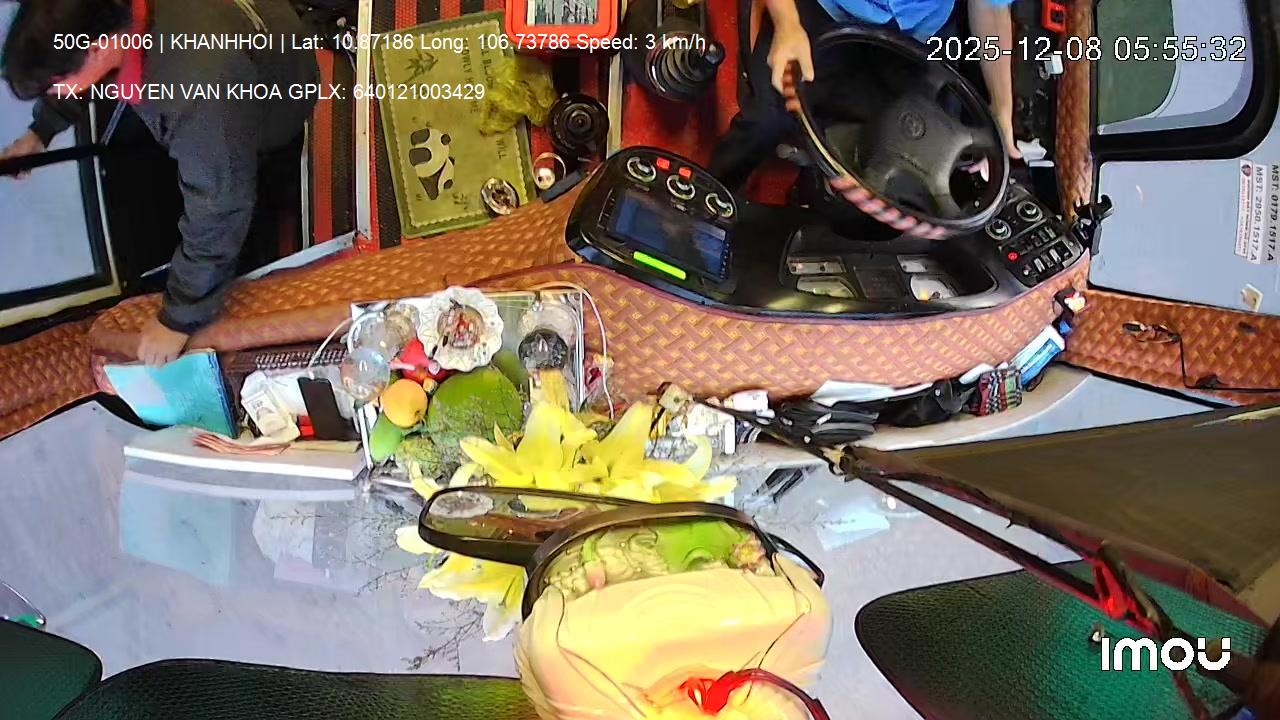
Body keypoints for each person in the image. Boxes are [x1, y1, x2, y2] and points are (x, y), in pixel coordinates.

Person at [1, 0, 318, 365]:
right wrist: (40, 132)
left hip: (279, 93)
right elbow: (78, 64)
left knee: (233, 189)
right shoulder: (109, 19)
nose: (58, 92)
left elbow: (220, 206)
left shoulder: (192, 83)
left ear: (99, 47)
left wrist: (178, 318)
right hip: (257, 34)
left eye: (56, 86)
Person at [710, 0, 1021, 190]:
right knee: (766, 120)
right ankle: (709, 197)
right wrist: (787, 25)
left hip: (921, 29)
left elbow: (991, 8)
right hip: (828, 7)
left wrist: (1002, 108)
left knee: (929, 158)